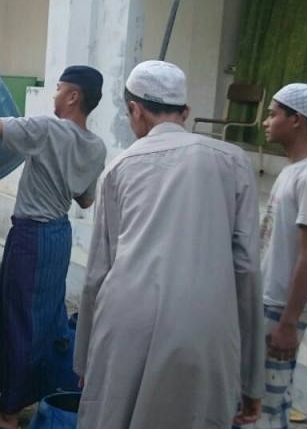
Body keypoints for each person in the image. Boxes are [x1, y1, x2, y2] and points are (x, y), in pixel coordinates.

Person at [74, 60, 265, 429]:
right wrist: (252, 379)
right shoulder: (233, 162)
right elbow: (247, 270)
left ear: (135, 110)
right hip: (207, 327)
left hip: (127, 322)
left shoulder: (119, 168)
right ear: (186, 112)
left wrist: (84, 360)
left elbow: (98, 272)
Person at [0, 66, 108, 429]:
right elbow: (85, 199)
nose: (54, 95)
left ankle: (7, 413)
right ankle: (40, 391)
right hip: (59, 236)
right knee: (46, 319)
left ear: (73, 96)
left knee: (21, 321)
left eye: (59, 88)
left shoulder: (47, 129)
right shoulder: (96, 146)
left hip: (32, 237)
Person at [239, 84, 307, 429]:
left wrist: (288, 323)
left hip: (282, 305)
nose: (266, 122)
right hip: (270, 297)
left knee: (265, 402)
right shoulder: (292, 170)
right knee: (262, 394)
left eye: (273, 114)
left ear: (296, 120)